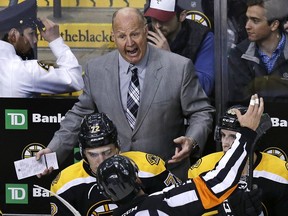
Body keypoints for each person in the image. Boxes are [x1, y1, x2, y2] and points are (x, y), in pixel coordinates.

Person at [36, 7, 215, 180]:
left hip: (165, 177)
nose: (129, 43)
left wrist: (192, 140)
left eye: (135, 34)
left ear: (146, 31)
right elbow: (78, 116)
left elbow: (201, 112)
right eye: (122, 36)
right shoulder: (96, 70)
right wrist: (53, 150)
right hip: (116, 181)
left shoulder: (179, 67)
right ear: (113, 37)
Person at [96, 94, 264, 215]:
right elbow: (219, 182)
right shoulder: (163, 202)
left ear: (106, 195)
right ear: (138, 179)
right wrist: (247, 133)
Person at [50, 112, 181, 215]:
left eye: (107, 152)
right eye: (93, 154)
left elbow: (180, 206)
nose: (101, 161)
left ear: (118, 147)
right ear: (83, 153)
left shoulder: (150, 168)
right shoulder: (64, 184)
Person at [188, 104, 288, 215]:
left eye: (233, 137)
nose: (225, 143)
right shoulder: (202, 168)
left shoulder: (281, 173)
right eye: (223, 135)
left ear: (252, 138)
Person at [0, 0, 84, 97]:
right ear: (13, 35)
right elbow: (75, 79)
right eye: (31, 34)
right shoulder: (26, 71)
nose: (35, 40)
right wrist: (55, 40)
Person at [144, 0, 215, 96]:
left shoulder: (202, 37)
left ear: (182, 16)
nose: (157, 25)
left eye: (163, 19)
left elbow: (204, 87)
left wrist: (170, 59)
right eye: (154, 18)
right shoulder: (145, 33)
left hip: (188, 108)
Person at [228, 0, 288, 103]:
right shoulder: (239, 54)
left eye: (255, 20)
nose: (247, 26)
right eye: (247, 19)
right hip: (253, 117)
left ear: (274, 25)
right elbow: (240, 101)